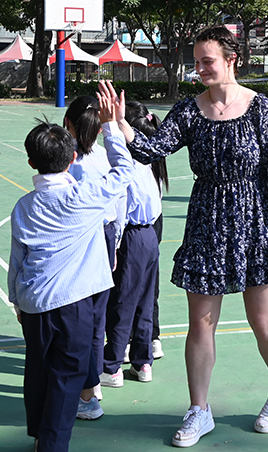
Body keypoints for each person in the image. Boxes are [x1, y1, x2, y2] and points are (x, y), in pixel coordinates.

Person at [98, 24, 268, 448]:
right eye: (197, 62)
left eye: (208, 61)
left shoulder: (261, 110)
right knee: (201, 324)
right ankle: (199, 410)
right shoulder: (190, 111)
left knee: (263, 321)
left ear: (231, 59)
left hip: (256, 221)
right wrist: (120, 124)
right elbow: (153, 149)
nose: (200, 69)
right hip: (207, 220)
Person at [7, 97, 134, 452]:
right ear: (73, 158)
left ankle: (39, 433)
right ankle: (51, 444)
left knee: (38, 370)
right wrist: (110, 126)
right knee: (68, 375)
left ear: (31, 162)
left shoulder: (23, 206)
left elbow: (17, 259)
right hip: (73, 303)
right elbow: (124, 171)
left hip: (34, 303)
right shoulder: (87, 196)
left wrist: (16, 301)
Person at [63, 95, 122, 414]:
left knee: (75, 318)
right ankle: (93, 384)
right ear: (100, 129)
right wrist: (116, 242)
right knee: (97, 317)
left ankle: (83, 391)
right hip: (106, 234)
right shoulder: (107, 158)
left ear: (67, 123)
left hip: (78, 238)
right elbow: (121, 200)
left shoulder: (66, 161)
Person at [99, 102, 163, 388]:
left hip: (132, 237)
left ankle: (112, 366)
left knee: (122, 302)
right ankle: (143, 362)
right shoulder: (149, 163)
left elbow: (120, 211)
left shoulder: (125, 167)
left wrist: (114, 246)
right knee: (145, 303)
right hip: (150, 235)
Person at [126, 101, 169, 361]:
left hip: (134, 227)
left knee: (126, 287)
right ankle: (153, 338)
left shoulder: (130, 162)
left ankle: (126, 341)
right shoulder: (156, 158)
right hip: (155, 223)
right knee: (149, 284)